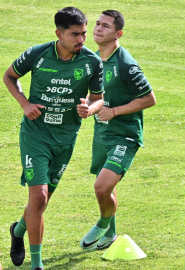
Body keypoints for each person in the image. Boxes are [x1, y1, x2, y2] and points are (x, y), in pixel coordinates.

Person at [3, 7, 103, 270]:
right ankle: (37, 265)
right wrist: (25, 104)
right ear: (58, 33)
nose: (81, 39)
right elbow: (10, 76)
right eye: (75, 34)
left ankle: (18, 230)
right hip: (35, 136)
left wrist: (89, 109)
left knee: (42, 201)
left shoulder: (92, 62)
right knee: (38, 198)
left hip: (65, 138)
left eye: (83, 33)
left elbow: (98, 97)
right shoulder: (37, 54)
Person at [79, 10, 156, 250]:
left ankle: (102, 224)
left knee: (101, 186)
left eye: (106, 26)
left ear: (118, 33)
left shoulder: (126, 64)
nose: (98, 29)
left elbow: (149, 99)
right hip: (102, 133)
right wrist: (87, 106)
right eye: (97, 24)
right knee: (106, 188)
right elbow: (95, 95)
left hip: (125, 135)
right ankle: (111, 235)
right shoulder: (94, 59)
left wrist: (114, 111)